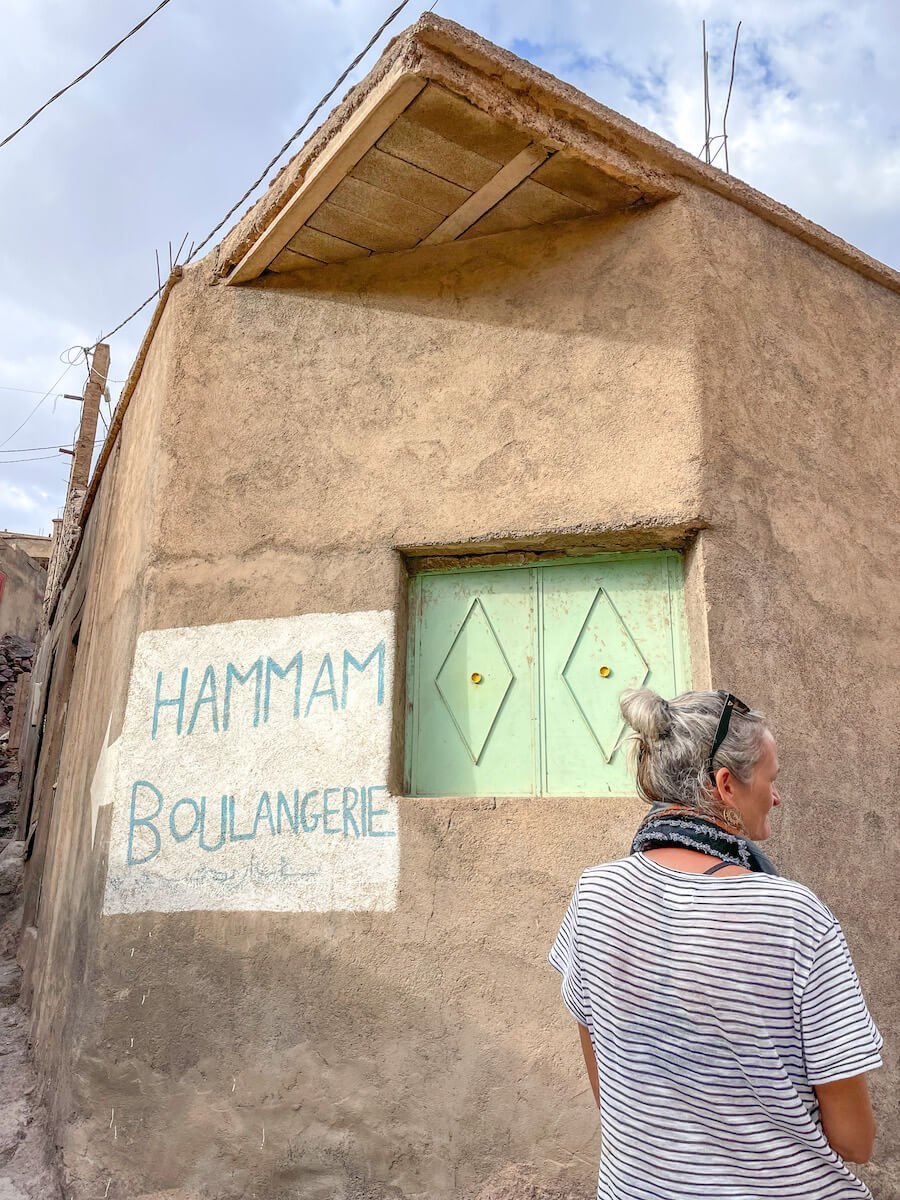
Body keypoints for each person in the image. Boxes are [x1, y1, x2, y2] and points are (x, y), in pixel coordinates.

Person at [549, 687, 883, 1200]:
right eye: (771, 781)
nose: (777, 797)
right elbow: (855, 1141)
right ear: (726, 785)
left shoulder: (594, 895)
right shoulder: (792, 915)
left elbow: (611, 1089)